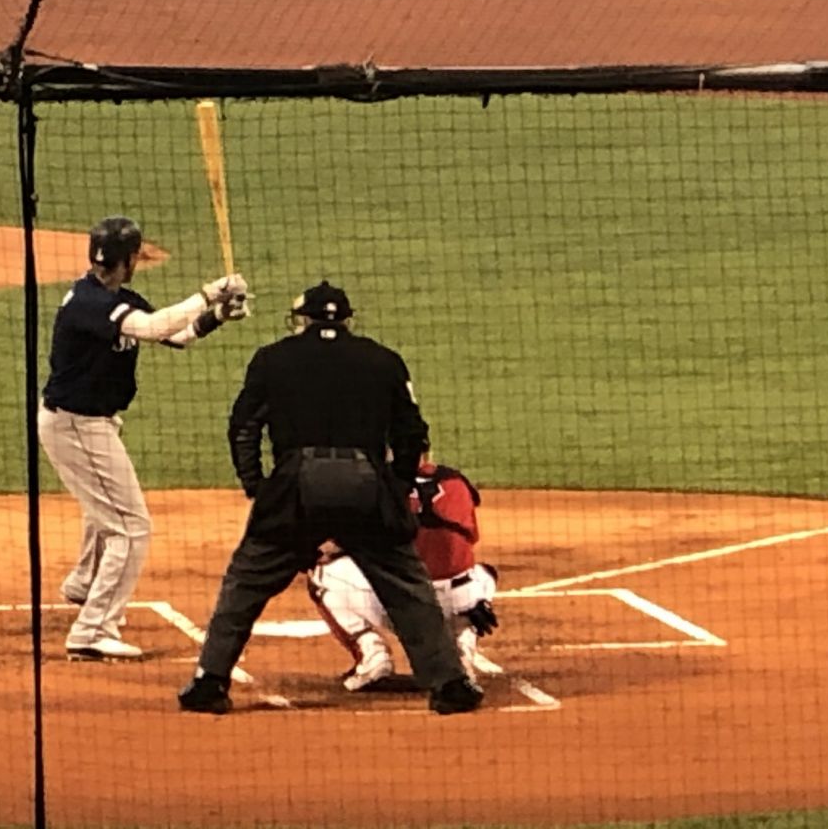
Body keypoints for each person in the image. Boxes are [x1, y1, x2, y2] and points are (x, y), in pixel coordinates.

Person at [178, 281, 482, 715]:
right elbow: (413, 433)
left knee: (245, 584)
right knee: (407, 586)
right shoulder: (383, 360)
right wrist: (393, 488)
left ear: (301, 319)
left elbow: (243, 428)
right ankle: (449, 684)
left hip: (295, 488)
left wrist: (258, 487)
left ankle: (209, 682)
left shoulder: (272, 359)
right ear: (347, 319)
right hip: (367, 487)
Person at [40, 218, 248, 661]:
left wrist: (217, 316)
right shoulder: (89, 303)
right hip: (76, 424)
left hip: (84, 422)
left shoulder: (114, 297)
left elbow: (173, 336)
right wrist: (208, 293)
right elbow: (152, 328)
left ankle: (84, 584)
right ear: (131, 258)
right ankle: (92, 630)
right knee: (131, 528)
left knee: (105, 514)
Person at [306, 453, 500, 690]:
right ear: (426, 453)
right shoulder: (456, 482)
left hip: (406, 608)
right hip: (461, 603)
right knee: (484, 574)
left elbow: (337, 544)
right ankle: (463, 647)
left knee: (321, 574)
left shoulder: (378, 483)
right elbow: (469, 538)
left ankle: (372, 657)